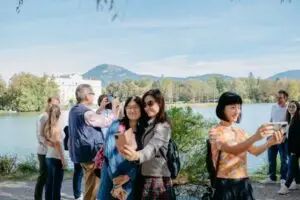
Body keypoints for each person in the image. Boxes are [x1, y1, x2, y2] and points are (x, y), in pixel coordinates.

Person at [209, 92, 284, 200]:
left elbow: (255, 151)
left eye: (239, 108)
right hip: (225, 184)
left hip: (244, 183)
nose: (237, 111)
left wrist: (271, 142)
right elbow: (233, 150)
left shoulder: (241, 132)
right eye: (233, 107)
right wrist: (255, 137)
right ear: (222, 109)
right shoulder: (215, 132)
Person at [68, 84, 120, 200]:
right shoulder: (86, 113)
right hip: (90, 155)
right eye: (92, 94)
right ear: (87, 96)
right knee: (92, 188)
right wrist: (114, 110)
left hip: (81, 154)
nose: (93, 96)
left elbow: (91, 119)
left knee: (90, 185)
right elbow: (106, 122)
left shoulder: (75, 110)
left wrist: (101, 108)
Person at [122, 89, 174, 200]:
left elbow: (152, 148)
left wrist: (137, 156)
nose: (146, 108)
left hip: (158, 178)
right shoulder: (150, 124)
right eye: (144, 105)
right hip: (148, 176)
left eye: (150, 103)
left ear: (159, 103)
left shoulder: (163, 126)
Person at [98, 96, 147, 200]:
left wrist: (129, 175)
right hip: (112, 179)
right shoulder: (119, 126)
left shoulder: (143, 131)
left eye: (136, 107)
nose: (132, 110)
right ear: (125, 109)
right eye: (129, 107)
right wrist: (117, 183)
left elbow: (143, 159)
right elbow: (110, 156)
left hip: (130, 181)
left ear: (141, 109)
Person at [260, 90, 289, 185]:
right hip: (272, 135)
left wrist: (285, 135)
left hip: (282, 137)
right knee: (271, 157)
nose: (278, 99)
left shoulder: (289, 108)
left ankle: (283, 179)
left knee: (284, 159)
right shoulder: (274, 107)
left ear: (285, 98)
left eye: (280, 98)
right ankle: (272, 178)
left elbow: (289, 124)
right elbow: (271, 120)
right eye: (277, 97)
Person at [34, 96, 60, 200]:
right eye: (53, 104)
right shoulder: (43, 117)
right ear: (48, 103)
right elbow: (39, 135)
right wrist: (50, 144)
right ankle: (38, 198)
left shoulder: (54, 116)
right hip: (43, 151)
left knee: (51, 178)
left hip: (52, 152)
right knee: (43, 177)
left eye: (57, 104)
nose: (55, 106)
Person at [44, 104, 67, 200]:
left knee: (49, 185)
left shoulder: (47, 126)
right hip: (57, 159)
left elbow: (46, 141)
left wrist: (51, 143)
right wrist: (63, 160)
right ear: (58, 115)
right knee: (56, 188)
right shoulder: (56, 128)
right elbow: (58, 144)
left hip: (48, 158)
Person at [277, 100, 300, 194]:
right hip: (290, 145)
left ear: (297, 108)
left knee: (291, 166)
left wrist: (294, 150)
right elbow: (288, 133)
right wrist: (283, 137)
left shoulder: (298, 120)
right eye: (289, 107)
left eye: (293, 107)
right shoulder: (289, 119)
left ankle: (286, 186)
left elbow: (297, 136)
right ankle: (298, 183)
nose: (291, 108)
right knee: (295, 166)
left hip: (296, 147)